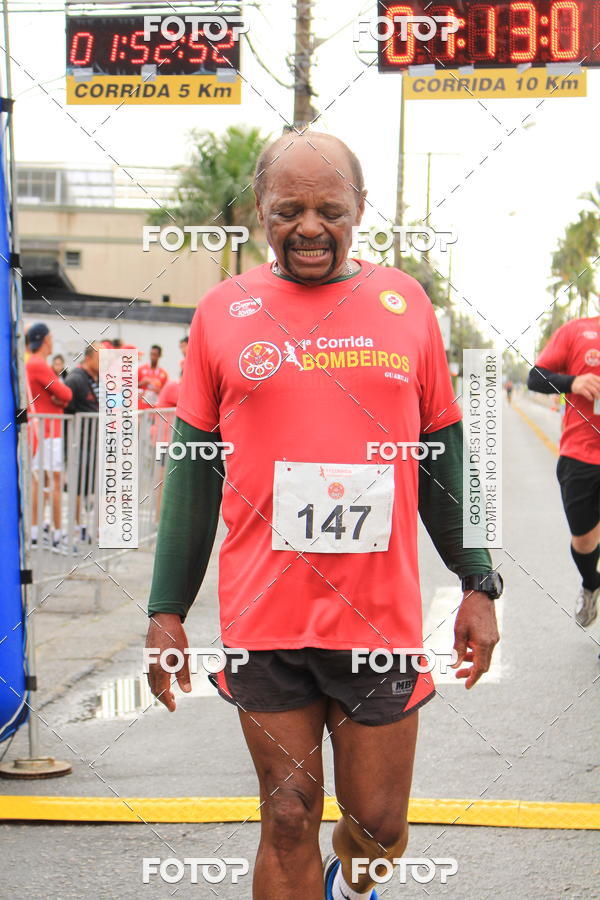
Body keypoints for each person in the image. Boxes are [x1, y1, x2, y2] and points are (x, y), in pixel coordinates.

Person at [145, 132, 501, 900]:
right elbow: (192, 475)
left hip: (378, 622)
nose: (309, 226)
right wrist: (165, 610)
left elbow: (444, 461)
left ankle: (352, 879)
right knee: (287, 815)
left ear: (360, 210)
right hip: (264, 617)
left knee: (379, 823)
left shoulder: (404, 305)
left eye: (329, 210)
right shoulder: (222, 312)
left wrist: (479, 582)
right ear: (259, 215)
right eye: (289, 210)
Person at [528, 316, 600, 628]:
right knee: (583, 541)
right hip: (580, 455)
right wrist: (574, 383)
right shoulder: (576, 331)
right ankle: (591, 583)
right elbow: (535, 378)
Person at [25, 322, 72, 553]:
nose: (53, 341)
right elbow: (65, 393)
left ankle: (37, 533)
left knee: (41, 482)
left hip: (41, 430)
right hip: (48, 431)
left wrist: (59, 399)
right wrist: (60, 400)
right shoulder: (39, 364)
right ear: (44, 339)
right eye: (51, 337)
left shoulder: (32, 363)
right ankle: (56, 535)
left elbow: (61, 396)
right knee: (52, 483)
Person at [65, 343, 100, 547]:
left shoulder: (95, 379)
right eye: (100, 357)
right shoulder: (75, 379)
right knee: (78, 487)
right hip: (80, 443)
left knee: (89, 486)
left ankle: (87, 526)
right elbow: (67, 410)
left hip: (93, 443)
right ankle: (77, 528)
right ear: (88, 358)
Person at [138, 344, 168, 409]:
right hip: (142, 407)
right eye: (151, 354)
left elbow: (166, 392)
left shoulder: (163, 373)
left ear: (159, 356)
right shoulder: (141, 370)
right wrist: (141, 383)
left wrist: (159, 391)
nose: (152, 357)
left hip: (155, 407)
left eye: (155, 355)